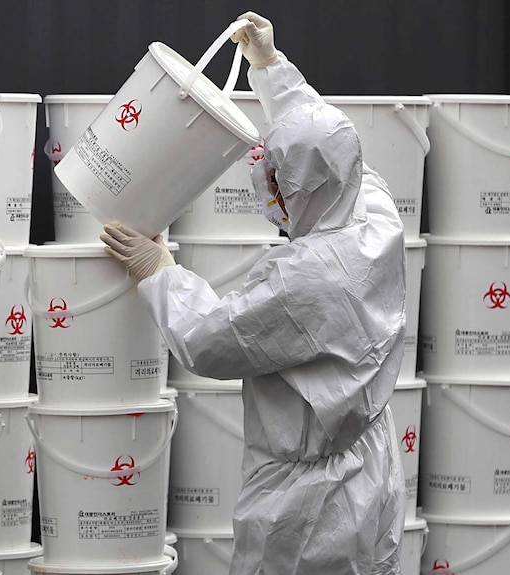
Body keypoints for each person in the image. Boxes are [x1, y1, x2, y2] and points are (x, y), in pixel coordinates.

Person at [100, 11, 407, 575]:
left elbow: (210, 339)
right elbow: (321, 141)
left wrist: (160, 269)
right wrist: (269, 67)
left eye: (279, 186)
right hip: (372, 467)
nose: (275, 199)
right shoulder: (374, 212)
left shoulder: (303, 280)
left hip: (308, 504)